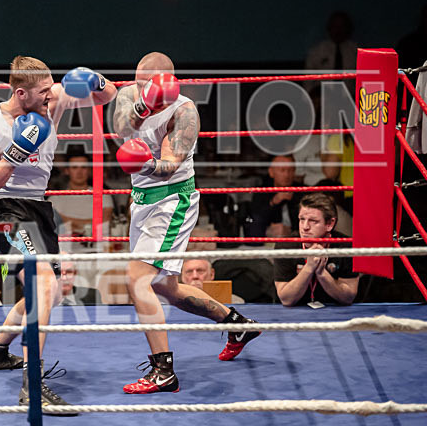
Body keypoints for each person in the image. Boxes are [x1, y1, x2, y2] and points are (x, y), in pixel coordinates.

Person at [0, 55, 117, 412]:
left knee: (45, 293)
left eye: (52, 90)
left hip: (39, 208)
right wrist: (17, 153)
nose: (51, 98)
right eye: (42, 93)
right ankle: (32, 385)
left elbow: (108, 95)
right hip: (3, 210)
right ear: (21, 93)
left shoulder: (54, 97)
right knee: (46, 285)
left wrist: (96, 80)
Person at [113, 51, 261, 394]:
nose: (137, 86)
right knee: (167, 287)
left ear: (163, 81)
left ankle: (163, 371)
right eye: (136, 79)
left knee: (138, 282)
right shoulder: (130, 95)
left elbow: (170, 164)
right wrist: (142, 106)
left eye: (144, 83)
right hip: (141, 201)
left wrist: (143, 163)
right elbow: (120, 127)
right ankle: (238, 325)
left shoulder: (185, 111)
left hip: (172, 200)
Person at [273, 193, 359, 306]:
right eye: (302, 219)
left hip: (335, 314)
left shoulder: (346, 247)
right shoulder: (285, 246)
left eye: (313, 221)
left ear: (329, 224)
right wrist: (309, 268)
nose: (305, 227)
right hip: (293, 317)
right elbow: (286, 299)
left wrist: (322, 273)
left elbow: (348, 298)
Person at [247, 155, 302, 239]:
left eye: (290, 170)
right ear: (271, 172)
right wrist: (273, 202)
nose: (287, 174)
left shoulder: (303, 191)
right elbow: (255, 222)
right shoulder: (261, 192)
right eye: (282, 170)